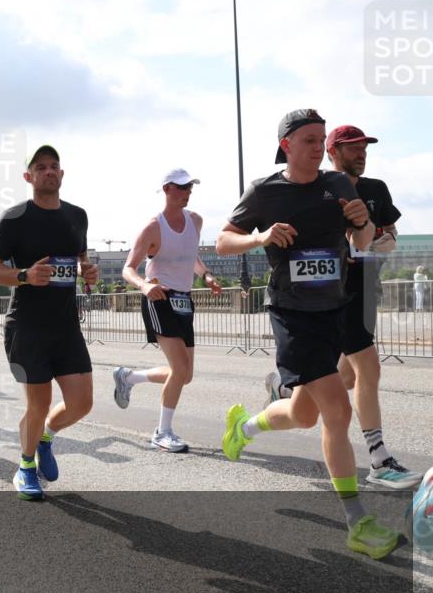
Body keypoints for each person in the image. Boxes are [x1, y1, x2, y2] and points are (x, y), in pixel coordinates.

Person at [217, 108, 400, 560]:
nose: (318, 147)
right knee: (337, 411)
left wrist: (361, 223)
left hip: (333, 309)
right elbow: (222, 241)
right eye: (308, 140)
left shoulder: (337, 185)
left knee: (304, 414)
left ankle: (244, 425)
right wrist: (259, 239)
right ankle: (358, 522)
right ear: (286, 145)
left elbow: (362, 245)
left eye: (321, 139)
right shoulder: (265, 190)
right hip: (292, 312)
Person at [265, 125, 420, 488]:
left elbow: (391, 236)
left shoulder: (375, 189)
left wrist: (377, 241)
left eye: (364, 147)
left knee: (334, 387)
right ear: (333, 152)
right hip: (329, 296)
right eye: (352, 148)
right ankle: (379, 459)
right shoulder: (319, 190)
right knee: (369, 369)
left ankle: (278, 396)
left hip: (365, 292)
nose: (361, 153)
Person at [0, 145, 99, 500]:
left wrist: (88, 271)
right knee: (39, 402)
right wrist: (25, 275)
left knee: (82, 403)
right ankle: (25, 466)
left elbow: (80, 259)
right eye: (41, 167)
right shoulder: (15, 218)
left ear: (62, 175)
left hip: (66, 326)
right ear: (28, 177)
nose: (49, 171)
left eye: (54, 167)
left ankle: (45, 436)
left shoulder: (78, 216)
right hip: (27, 326)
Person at [113, 169, 222, 452]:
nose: (188, 193)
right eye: (183, 187)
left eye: (190, 188)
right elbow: (128, 268)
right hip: (159, 298)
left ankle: (129, 377)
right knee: (180, 369)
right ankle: (163, 432)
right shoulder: (153, 228)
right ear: (167, 189)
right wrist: (144, 286)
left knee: (185, 374)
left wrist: (206, 275)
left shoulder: (195, 221)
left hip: (184, 300)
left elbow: (191, 254)